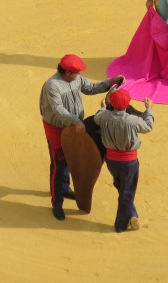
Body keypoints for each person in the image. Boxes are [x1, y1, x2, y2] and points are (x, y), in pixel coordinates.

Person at [40, 54, 125, 221]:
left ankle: (64, 188)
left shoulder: (76, 79)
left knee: (71, 158)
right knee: (58, 164)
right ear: (68, 72)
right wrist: (75, 121)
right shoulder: (52, 85)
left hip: (74, 126)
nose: (79, 75)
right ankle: (56, 203)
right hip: (56, 128)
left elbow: (91, 88)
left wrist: (110, 82)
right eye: (77, 72)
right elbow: (58, 109)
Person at [94, 89, 154, 232]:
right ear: (128, 104)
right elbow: (148, 127)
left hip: (111, 161)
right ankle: (121, 225)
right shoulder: (132, 120)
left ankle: (132, 214)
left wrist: (102, 107)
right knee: (127, 192)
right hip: (129, 162)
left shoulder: (104, 116)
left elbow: (97, 118)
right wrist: (149, 110)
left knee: (121, 187)